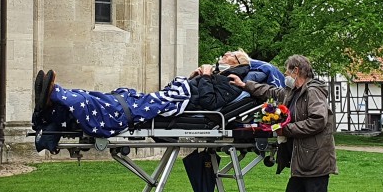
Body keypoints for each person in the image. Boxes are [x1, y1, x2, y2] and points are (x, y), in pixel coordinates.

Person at [32, 50, 272, 141]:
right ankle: (56, 104)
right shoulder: (220, 76)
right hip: (173, 98)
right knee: (121, 98)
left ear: (237, 63)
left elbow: (210, 104)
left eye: (228, 55)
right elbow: (201, 93)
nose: (224, 55)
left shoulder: (232, 81)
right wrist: (195, 77)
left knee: (122, 106)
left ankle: (59, 96)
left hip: (176, 105)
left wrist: (207, 76)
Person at [228, 54, 337, 192]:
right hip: (302, 161)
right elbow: (271, 92)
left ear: (296, 71)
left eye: (287, 70)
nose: (285, 74)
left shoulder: (313, 91)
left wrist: (285, 129)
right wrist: (244, 85)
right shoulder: (292, 91)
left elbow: (318, 120)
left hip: (315, 160)